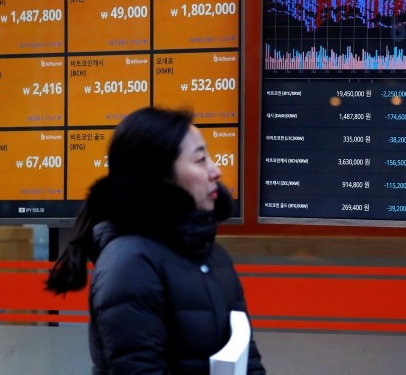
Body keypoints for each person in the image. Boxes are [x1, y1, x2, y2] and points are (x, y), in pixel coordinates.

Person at [47, 106, 265, 373]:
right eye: (200, 160)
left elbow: (248, 358)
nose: (215, 171)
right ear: (158, 174)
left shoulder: (213, 255)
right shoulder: (130, 262)